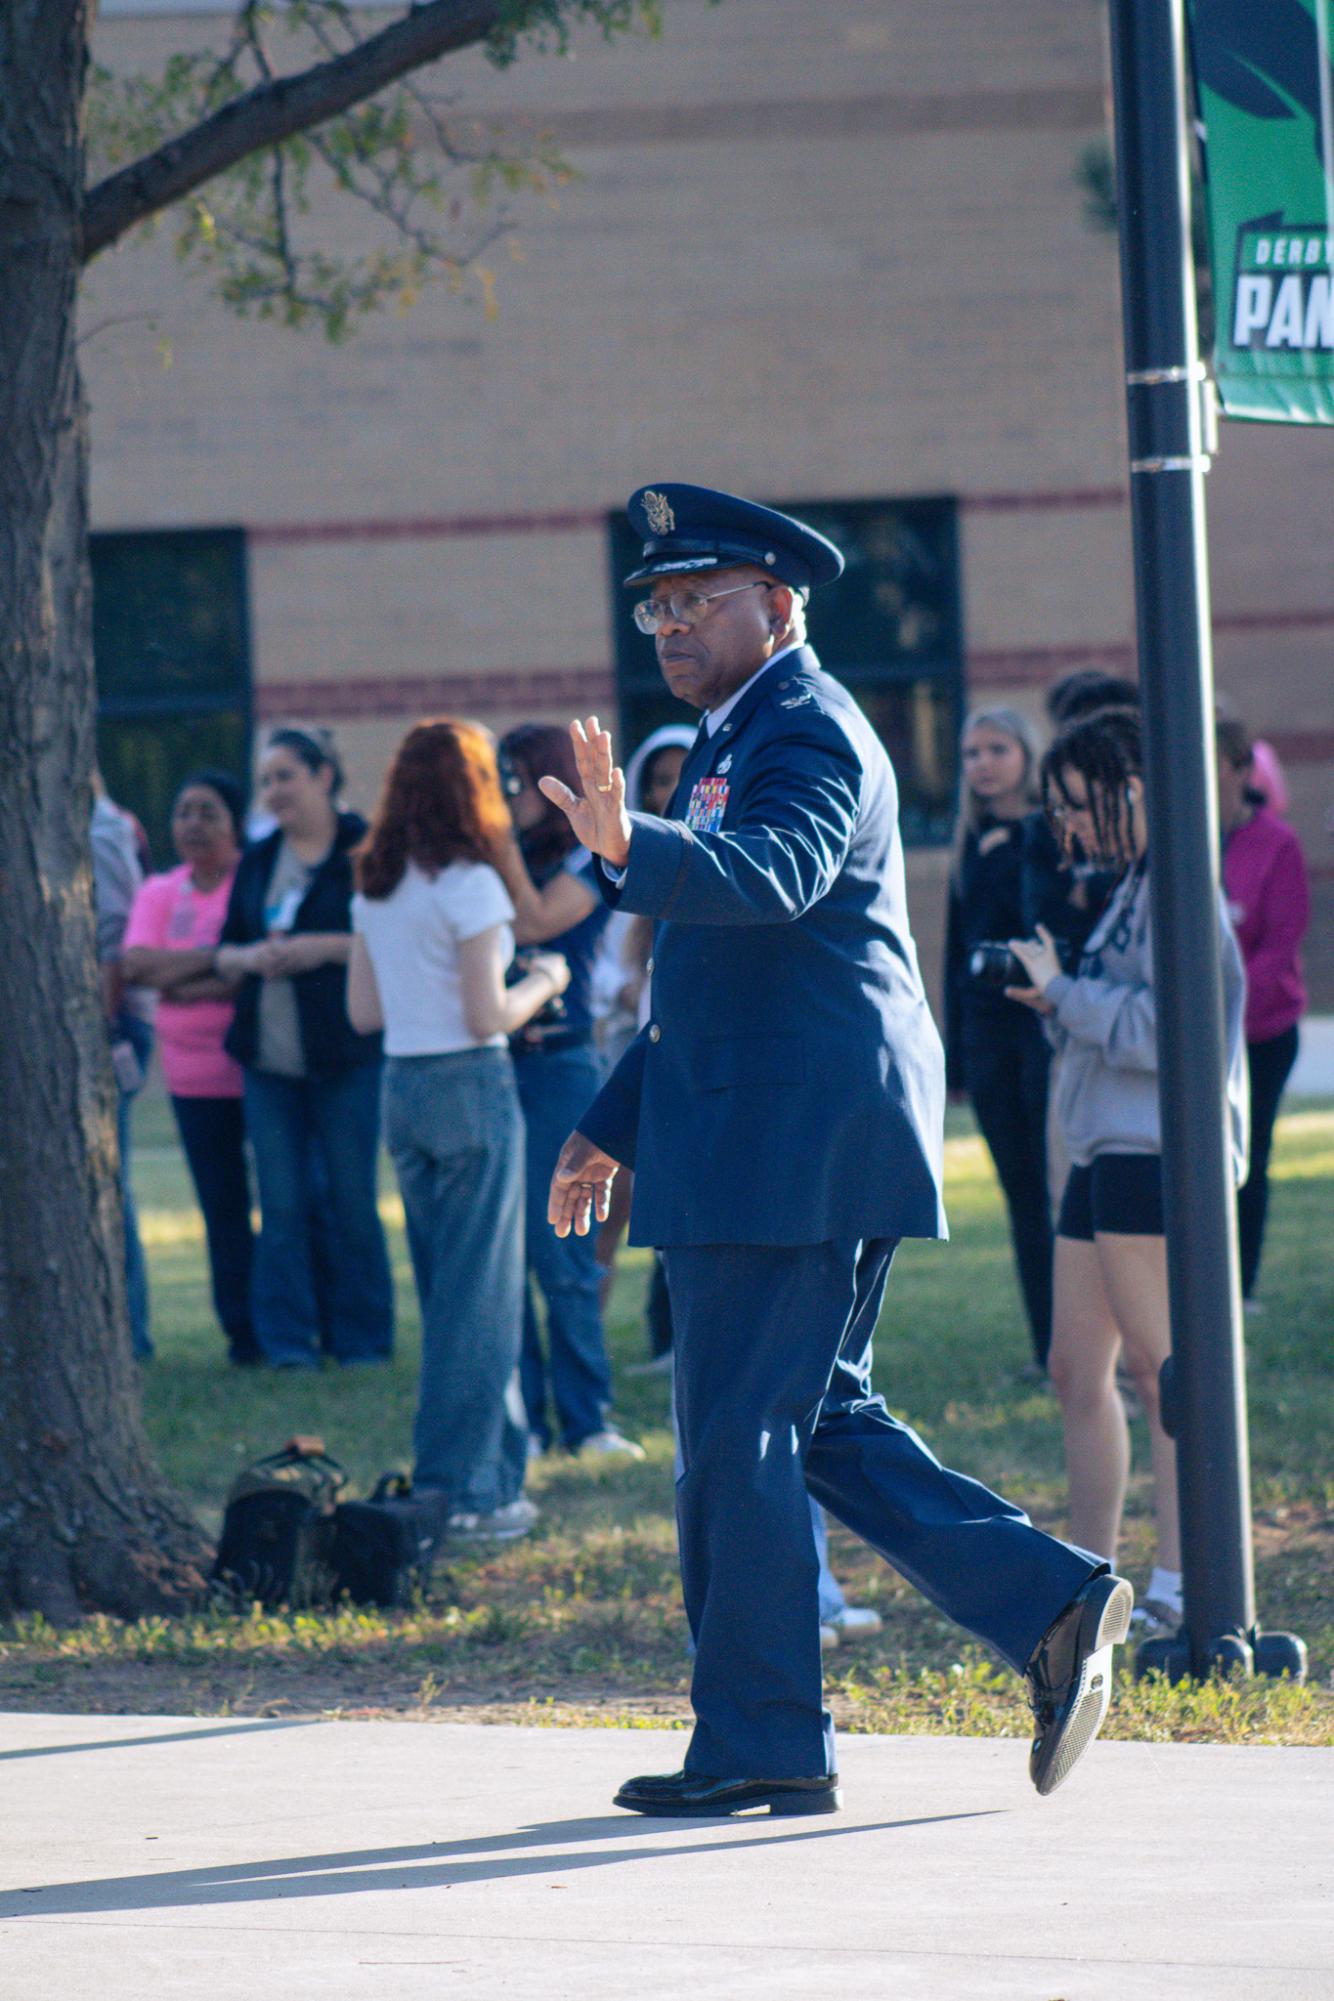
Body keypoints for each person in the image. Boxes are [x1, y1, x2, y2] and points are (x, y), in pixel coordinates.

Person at [539, 482, 1132, 1817]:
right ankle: (1050, 1603)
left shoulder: (803, 727)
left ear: (780, 604)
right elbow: (709, 972)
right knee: (813, 1422)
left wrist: (629, 842)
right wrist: (605, 1125)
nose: (670, 622)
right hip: (771, 1119)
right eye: (655, 604)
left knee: (739, 1435)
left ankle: (758, 1739)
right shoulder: (730, 733)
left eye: (698, 599)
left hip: (792, 1134)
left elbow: (775, 876)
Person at [1006, 706, 1248, 1641]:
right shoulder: (1134, 885)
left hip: (1158, 1155)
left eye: (1078, 804)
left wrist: (1067, 992)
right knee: (1076, 1370)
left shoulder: (1183, 883)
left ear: (1134, 792)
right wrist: (1059, 996)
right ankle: (1088, 1584)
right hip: (1106, 1151)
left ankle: (1186, 1583)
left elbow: (1171, 1029)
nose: (1067, 827)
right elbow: (1123, 1015)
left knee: (1163, 1374)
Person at [348, 721, 567, 1541]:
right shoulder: (473, 883)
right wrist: (543, 979)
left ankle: (495, 1478)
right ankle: (464, 1493)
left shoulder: (375, 881)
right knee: (481, 1300)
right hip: (470, 1084)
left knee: (455, 1293)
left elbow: (362, 1011)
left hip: (401, 1088)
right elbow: (486, 1014)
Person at [216, 727, 393, 1368]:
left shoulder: (366, 848)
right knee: (282, 1207)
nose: (273, 791)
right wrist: (250, 956)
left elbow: (394, 940)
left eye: (284, 775)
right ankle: (288, 1345)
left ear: (323, 776)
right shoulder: (259, 859)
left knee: (351, 1203)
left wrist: (320, 947)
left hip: (347, 1058)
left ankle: (364, 1343)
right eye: (266, 780)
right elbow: (225, 948)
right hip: (269, 1063)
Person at [496, 724, 642, 1461]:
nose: (507, 794)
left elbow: (537, 921)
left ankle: (586, 1421)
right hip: (497, 1064)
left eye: (517, 779)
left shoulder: (587, 859)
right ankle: (523, 1425)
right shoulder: (497, 856)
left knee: (565, 1253)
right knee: (506, 1253)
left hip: (561, 1064)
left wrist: (492, 849)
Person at [122, 771, 260, 1366]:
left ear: (234, 824)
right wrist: (221, 963)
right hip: (191, 1078)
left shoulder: (251, 882)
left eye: (208, 812)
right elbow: (136, 967)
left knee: (288, 1201)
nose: (193, 824)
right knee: (221, 1206)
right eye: (183, 812)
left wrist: (179, 976)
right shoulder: (159, 891)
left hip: (261, 1070)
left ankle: (292, 1324)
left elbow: (256, 969)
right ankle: (242, 1335)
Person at [944, 706, 1052, 1369]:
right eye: (971, 752)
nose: (982, 762)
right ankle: (1047, 1349)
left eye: (997, 748)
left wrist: (1010, 850)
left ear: (1026, 755)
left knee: (1055, 1194)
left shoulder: (1046, 833)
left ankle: (1081, 1349)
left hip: (1039, 1032)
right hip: (986, 1039)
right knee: (1020, 1199)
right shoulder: (967, 841)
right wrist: (953, 1057)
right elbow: (957, 956)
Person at [592, 724, 697, 1359]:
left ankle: (678, 1344)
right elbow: (601, 966)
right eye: (659, 780)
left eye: (682, 776)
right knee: (611, 1212)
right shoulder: (628, 862)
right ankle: (590, 1349)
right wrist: (627, 988)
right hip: (633, 1059)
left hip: (696, 1066)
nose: (670, 790)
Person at [1217, 714, 1310, 1307]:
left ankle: (1240, 1288)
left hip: (1260, 1032)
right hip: (1187, 1034)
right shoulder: (1172, 837)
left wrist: (1218, 1009)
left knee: (1247, 1159)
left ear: (1240, 769)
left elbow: (1280, 944)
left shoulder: (1276, 842)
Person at [90, 771, 154, 1361]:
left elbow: (113, 940)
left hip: (105, 1027)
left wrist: (102, 1033)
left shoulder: (100, 830)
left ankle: (129, 1338)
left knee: (105, 1181)